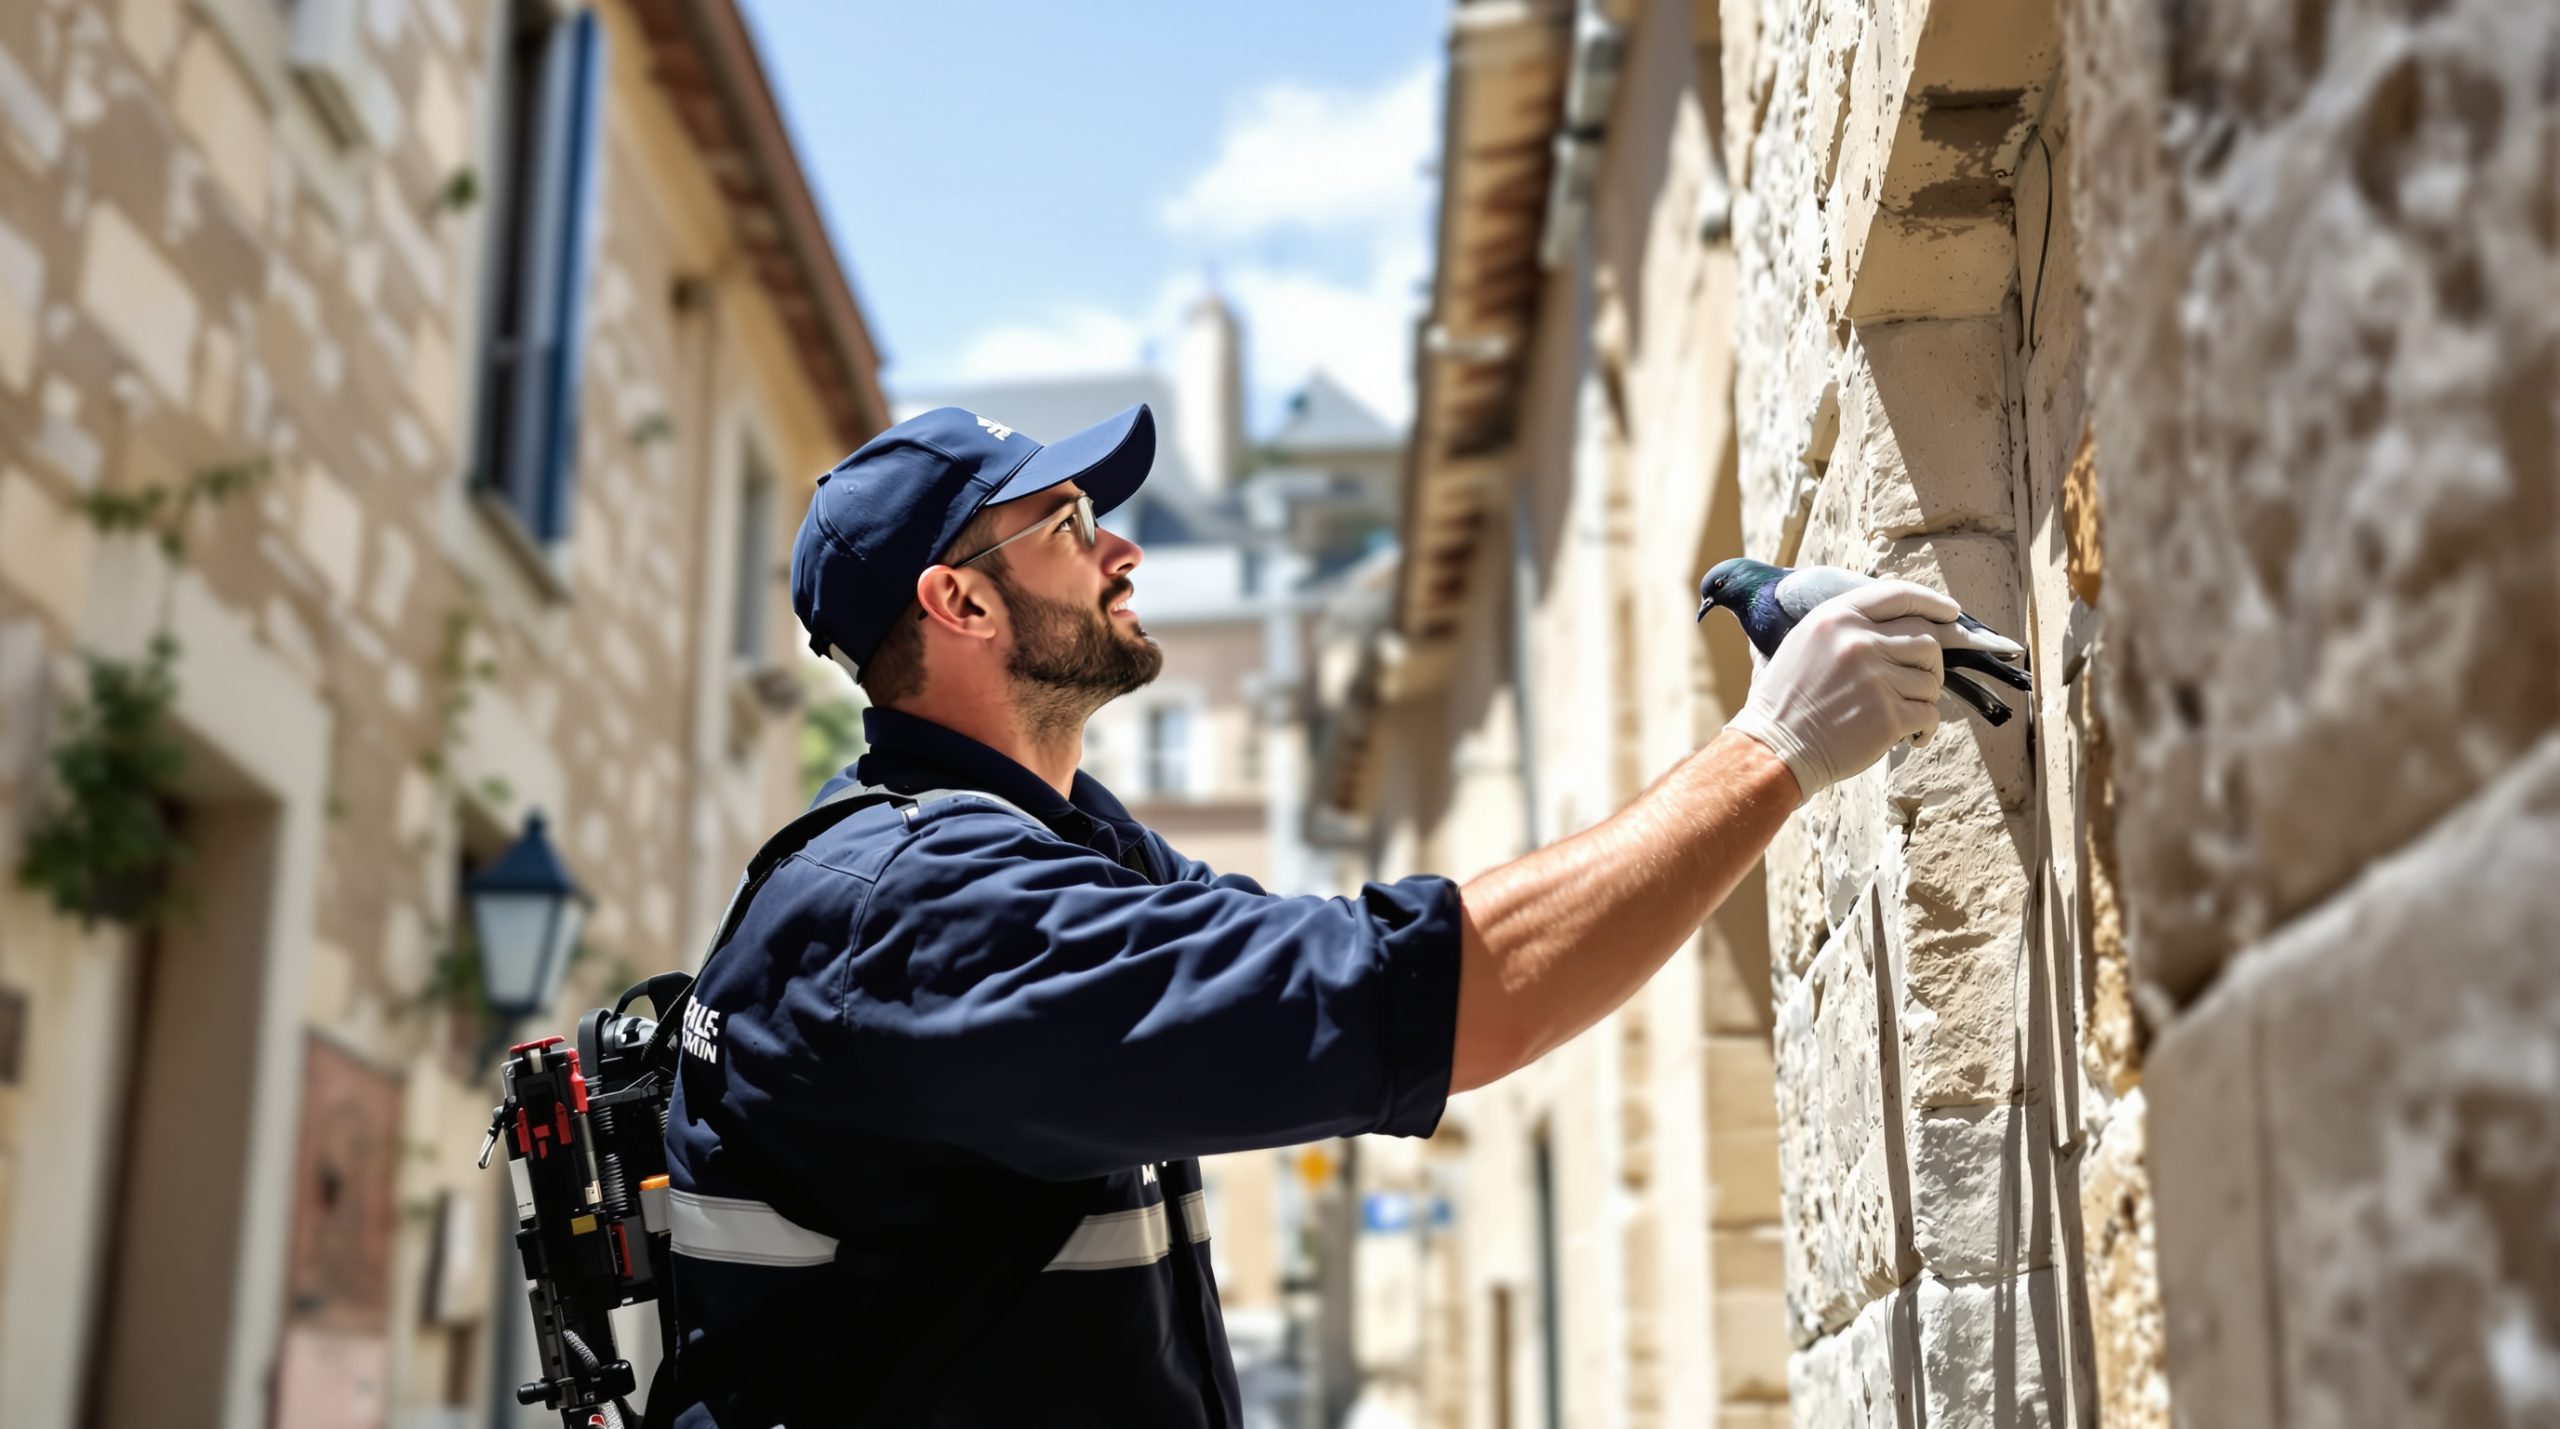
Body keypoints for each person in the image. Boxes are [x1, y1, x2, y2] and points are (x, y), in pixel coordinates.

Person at [660, 403, 1961, 1427]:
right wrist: (1777, 745)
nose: (1125, 548)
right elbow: (1418, 1001)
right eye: (1065, 521)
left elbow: (1333, 962)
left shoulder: (1052, 841)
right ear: (963, 603)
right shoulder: (926, 914)